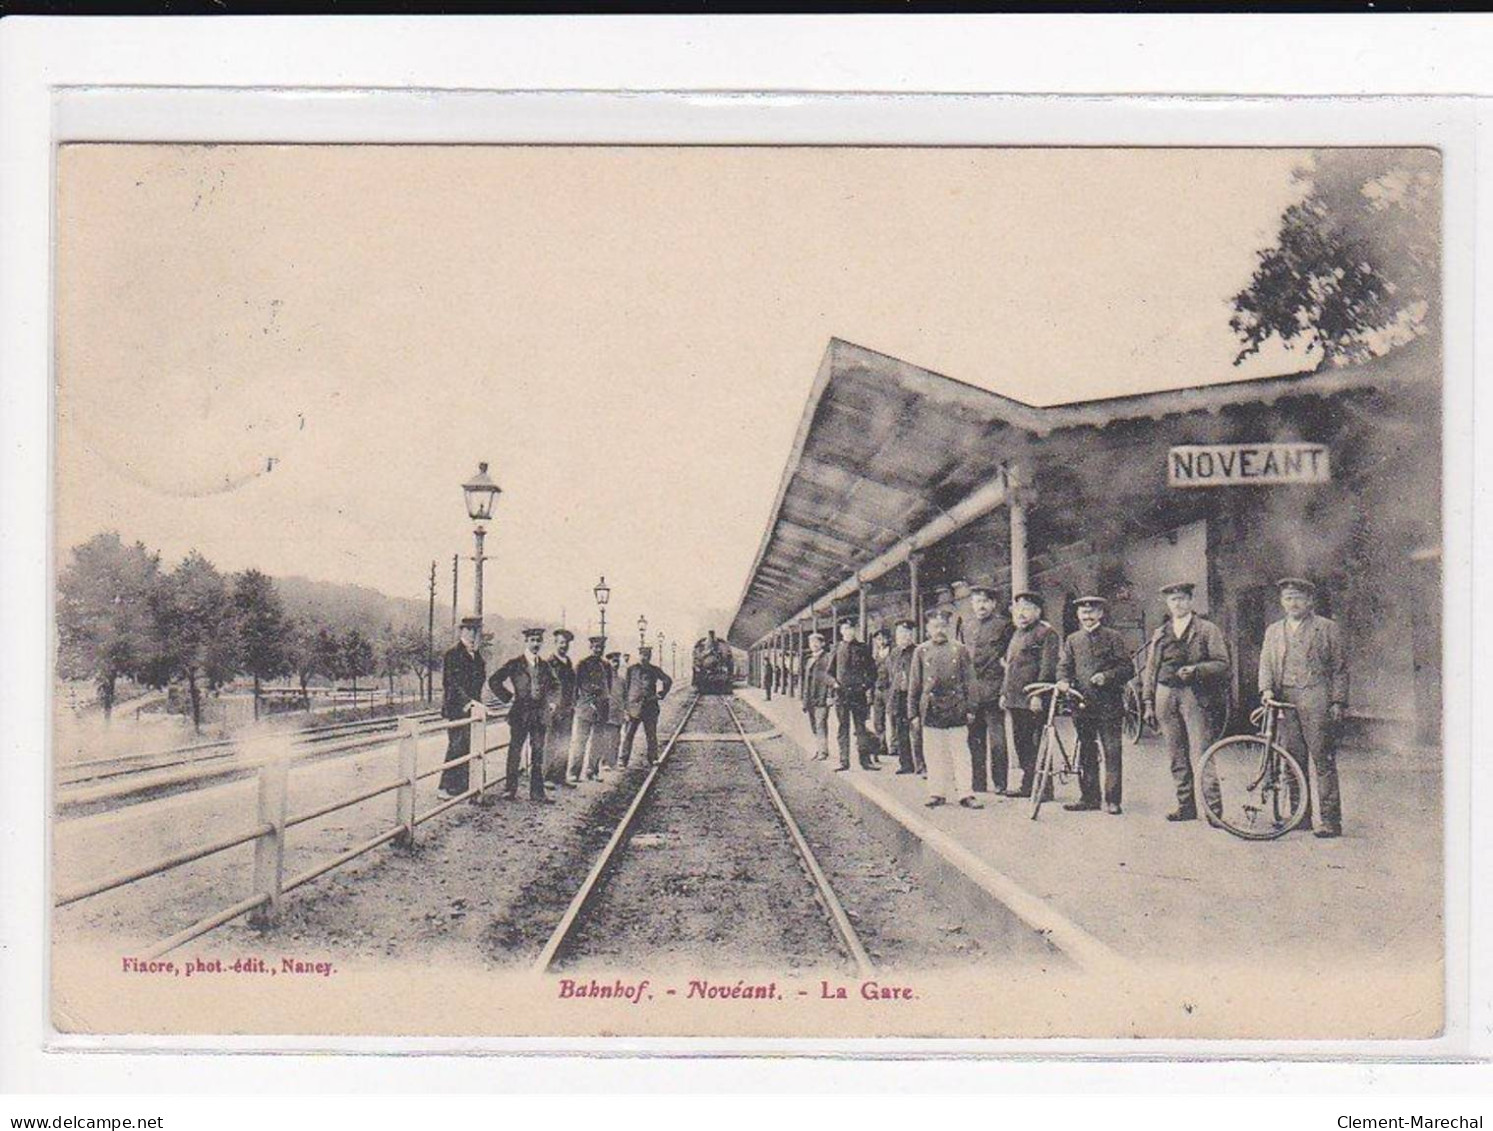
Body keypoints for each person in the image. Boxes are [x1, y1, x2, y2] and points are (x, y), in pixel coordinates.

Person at [1258, 577, 1348, 838]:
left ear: (1310, 601)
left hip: (1316, 696)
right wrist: (1266, 690)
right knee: (1292, 759)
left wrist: (1337, 701)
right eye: (1288, 598)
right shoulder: (1274, 631)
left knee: (1323, 760)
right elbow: (1265, 663)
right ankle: (1301, 816)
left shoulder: (1327, 628)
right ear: (1281, 602)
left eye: (1298, 597)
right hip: (1285, 699)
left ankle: (1330, 820)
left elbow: (1340, 668)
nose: (1293, 603)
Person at [1142, 581, 1231, 822]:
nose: (1178, 603)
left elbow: (1222, 663)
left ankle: (1214, 811)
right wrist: (1148, 701)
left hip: (1194, 694)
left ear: (1191, 601)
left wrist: (1197, 669)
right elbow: (1150, 669)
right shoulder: (1160, 633)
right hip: (1165, 693)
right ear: (1167, 604)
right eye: (1173, 600)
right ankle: (1186, 806)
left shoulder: (1207, 629)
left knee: (1202, 751)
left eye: (1182, 598)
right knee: (1175, 753)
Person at [1056, 596, 1133, 815]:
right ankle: (1089, 797)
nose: (1087, 616)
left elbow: (1127, 668)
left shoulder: (1113, 637)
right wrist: (1062, 680)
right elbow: (1064, 666)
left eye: (1092, 612)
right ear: (1078, 615)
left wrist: (1107, 677)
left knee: (1112, 751)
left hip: (1109, 704)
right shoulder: (1072, 640)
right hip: (1082, 704)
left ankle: (1113, 800)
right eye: (1083, 612)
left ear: (1100, 614)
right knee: (1086, 750)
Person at [906, 608, 979, 809]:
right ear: (928, 628)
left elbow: (970, 681)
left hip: (956, 707)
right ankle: (936, 792)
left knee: (961, 753)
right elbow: (915, 684)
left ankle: (966, 793)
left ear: (949, 627)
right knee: (933, 753)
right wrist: (912, 712)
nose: (939, 630)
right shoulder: (920, 651)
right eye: (935, 626)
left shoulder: (960, 649)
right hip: (931, 708)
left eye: (943, 626)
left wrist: (971, 707)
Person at [1000, 592, 1060, 799]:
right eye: (1018, 609)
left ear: (1037, 611)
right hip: (1015, 698)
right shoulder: (1017, 633)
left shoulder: (1046, 633)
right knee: (1021, 742)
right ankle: (1028, 785)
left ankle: (1044, 788)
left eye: (1026, 609)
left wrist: (1038, 695)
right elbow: (1010, 667)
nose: (1021, 614)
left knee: (1037, 742)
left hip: (1034, 700)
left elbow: (1047, 667)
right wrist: (1003, 693)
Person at [488, 626, 557, 803]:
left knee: (538, 753)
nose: (536, 644)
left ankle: (537, 793)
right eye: (532, 640)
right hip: (520, 713)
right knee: (515, 751)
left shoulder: (545, 665)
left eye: (538, 640)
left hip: (539, 715)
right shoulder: (515, 663)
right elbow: (494, 680)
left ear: (542, 642)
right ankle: (510, 790)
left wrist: (552, 701)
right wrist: (508, 697)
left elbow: (555, 685)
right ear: (526, 642)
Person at [966, 579, 1015, 795]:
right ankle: (978, 783)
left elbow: (1010, 660)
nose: (981, 606)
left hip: (994, 690)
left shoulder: (1004, 625)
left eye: (985, 601)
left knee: (997, 741)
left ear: (993, 604)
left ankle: (1000, 783)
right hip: (972, 692)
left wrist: (1005, 690)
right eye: (977, 601)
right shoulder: (967, 626)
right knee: (974, 740)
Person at [437, 616, 487, 800]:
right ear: (462, 632)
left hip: (473, 707)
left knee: (469, 745)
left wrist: (477, 702)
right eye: (469, 631)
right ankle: (445, 787)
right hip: (457, 707)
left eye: (476, 631)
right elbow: (451, 683)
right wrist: (468, 701)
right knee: (456, 746)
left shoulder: (477, 656)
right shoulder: (453, 654)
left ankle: (463, 786)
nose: (473, 635)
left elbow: (479, 681)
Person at [828, 618, 879, 772]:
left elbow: (872, 672)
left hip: (858, 696)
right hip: (842, 695)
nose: (848, 631)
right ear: (841, 631)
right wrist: (834, 683)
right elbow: (829, 673)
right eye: (845, 629)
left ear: (854, 630)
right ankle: (844, 762)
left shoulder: (863, 648)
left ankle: (865, 761)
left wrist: (864, 686)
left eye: (851, 628)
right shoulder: (836, 648)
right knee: (843, 728)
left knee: (861, 728)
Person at [567, 634, 613, 782]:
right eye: (595, 647)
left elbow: (609, 687)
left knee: (598, 741)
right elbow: (574, 686)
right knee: (581, 741)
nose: (598, 650)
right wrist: (576, 705)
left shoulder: (606, 666)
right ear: (590, 647)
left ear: (604, 649)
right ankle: (574, 772)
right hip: (585, 708)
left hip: (601, 708)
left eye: (600, 648)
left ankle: (592, 771)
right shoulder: (582, 664)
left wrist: (605, 701)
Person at [621, 645, 673, 766]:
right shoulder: (631, 669)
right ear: (639, 655)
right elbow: (626, 688)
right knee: (629, 735)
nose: (645, 658)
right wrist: (626, 707)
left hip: (650, 706)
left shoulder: (654, 670)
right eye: (643, 655)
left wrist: (661, 694)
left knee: (651, 734)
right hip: (634, 707)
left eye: (647, 656)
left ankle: (653, 758)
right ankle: (623, 760)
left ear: (650, 657)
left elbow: (667, 680)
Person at [544, 628, 577, 789]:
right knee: (552, 742)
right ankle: (547, 777)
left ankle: (560, 775)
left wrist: (572, 704)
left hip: (567, 708)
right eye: (561, 643)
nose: (564, 646)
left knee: (565, 742)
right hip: (553, 709)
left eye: (567, 643)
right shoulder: (550, 663)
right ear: (555, 643)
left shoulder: (568, 662)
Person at [887, 618, 921, 774]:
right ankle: (906, 764)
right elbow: (891, 674)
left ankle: (921, 765)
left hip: (913, 696)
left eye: (906, 632)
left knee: (917, 730)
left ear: (912, 634)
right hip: (898, 696)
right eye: (899, 632)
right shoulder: (894, 653)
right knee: (901, 731)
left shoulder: (918, 651)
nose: (902, 636)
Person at [801, 631, 834, 761]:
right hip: (810, 698)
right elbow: (805, 681)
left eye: (816, 642)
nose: (813, 645)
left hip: (821, 697)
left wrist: (830, 696)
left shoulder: (827, 658)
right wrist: (804, 699)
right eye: (811, 642)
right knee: (814, 725)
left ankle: (823, 751)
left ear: (823, 644)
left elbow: (830, 678)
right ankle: (819, 748)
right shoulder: (809, 660)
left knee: (820, 724)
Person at [596, 650, 627, 772]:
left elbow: (624, 697)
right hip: (607, 713)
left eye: (617, 661)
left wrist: (625, 711)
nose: (616, 664)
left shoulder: (622, 680)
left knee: (616, 739)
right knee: (606, 738)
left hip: (618, 713)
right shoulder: (602, 679)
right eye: (613, 661)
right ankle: (605, 762)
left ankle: (613, 762)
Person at [869, 629, 892, 762]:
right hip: (878, 689)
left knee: (892, 718)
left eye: (883, 638)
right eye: (878, 639)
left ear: (888, 639)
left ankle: (895, 746)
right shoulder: (875, 654)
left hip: (889, 689)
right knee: (878, 720)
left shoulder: (893, 653)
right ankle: (882, 745)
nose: (881, 641)